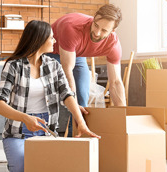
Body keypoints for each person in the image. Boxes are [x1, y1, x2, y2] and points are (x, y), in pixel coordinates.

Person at [0, 20, 100, 172]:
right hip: (18, 132)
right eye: (51, 37)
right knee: (21, 167)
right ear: (39, 39)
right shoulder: (14, 66)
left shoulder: (53, 66)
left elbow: (67, 94)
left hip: (46, 131)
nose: (54, 41)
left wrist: (81, 122)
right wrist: (25, 118)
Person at [47, 4, 126, 136]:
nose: (97, 33)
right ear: (94, 18)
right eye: (96, 25)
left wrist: (124, 120)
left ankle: (77, 138)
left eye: (104, 30)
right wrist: (72, 102)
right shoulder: (72, 28)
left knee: (83, 98)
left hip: (77, 54)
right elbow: (68, 71)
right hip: (51, 51)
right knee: (53, 96)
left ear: (113, 30)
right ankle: (43, 136)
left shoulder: (113, 45)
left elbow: (116, 82)